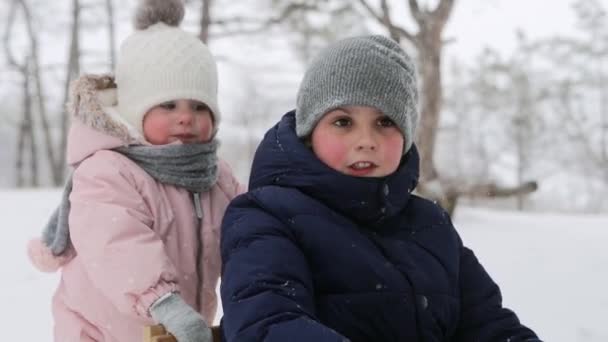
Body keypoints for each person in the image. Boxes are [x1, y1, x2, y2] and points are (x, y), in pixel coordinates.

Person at [219, 35, 541, 341]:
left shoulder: (431, 225)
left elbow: (489, 325)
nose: (366, 141)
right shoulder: (266, 217)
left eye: (385, 122)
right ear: (309, 131)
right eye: (343, 122)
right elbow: (268, 326)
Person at [26, 0, 244, 341]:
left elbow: (249, 231)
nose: (186, 117)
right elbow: (116, 243)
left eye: (199, 106)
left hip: (177, 331)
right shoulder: (107, 172)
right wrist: (163, 302)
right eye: (168, 105)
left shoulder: (217, 178)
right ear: (134, 112)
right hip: (98, 332)